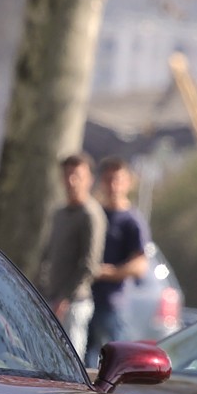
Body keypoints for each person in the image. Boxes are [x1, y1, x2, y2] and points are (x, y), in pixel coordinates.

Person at [37, 153, 107, 358]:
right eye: (67, 175)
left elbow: (90, 265)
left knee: (70, 359)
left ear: (89, 179)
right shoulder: (59, 213)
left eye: (77, 175)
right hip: (50, 297)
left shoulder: (91, 214)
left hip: (74, 302)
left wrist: (65, 297)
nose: (71, 181)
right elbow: (47, 254)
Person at [84, 157, 150, 368]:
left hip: (113, 304)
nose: (113, 186)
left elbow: (141, 265)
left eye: (118, 180)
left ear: (128, 183)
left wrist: (108, 272)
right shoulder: (95, 213)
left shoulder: (131, 221)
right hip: (85, 298)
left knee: (111, 364)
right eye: (109, 180)